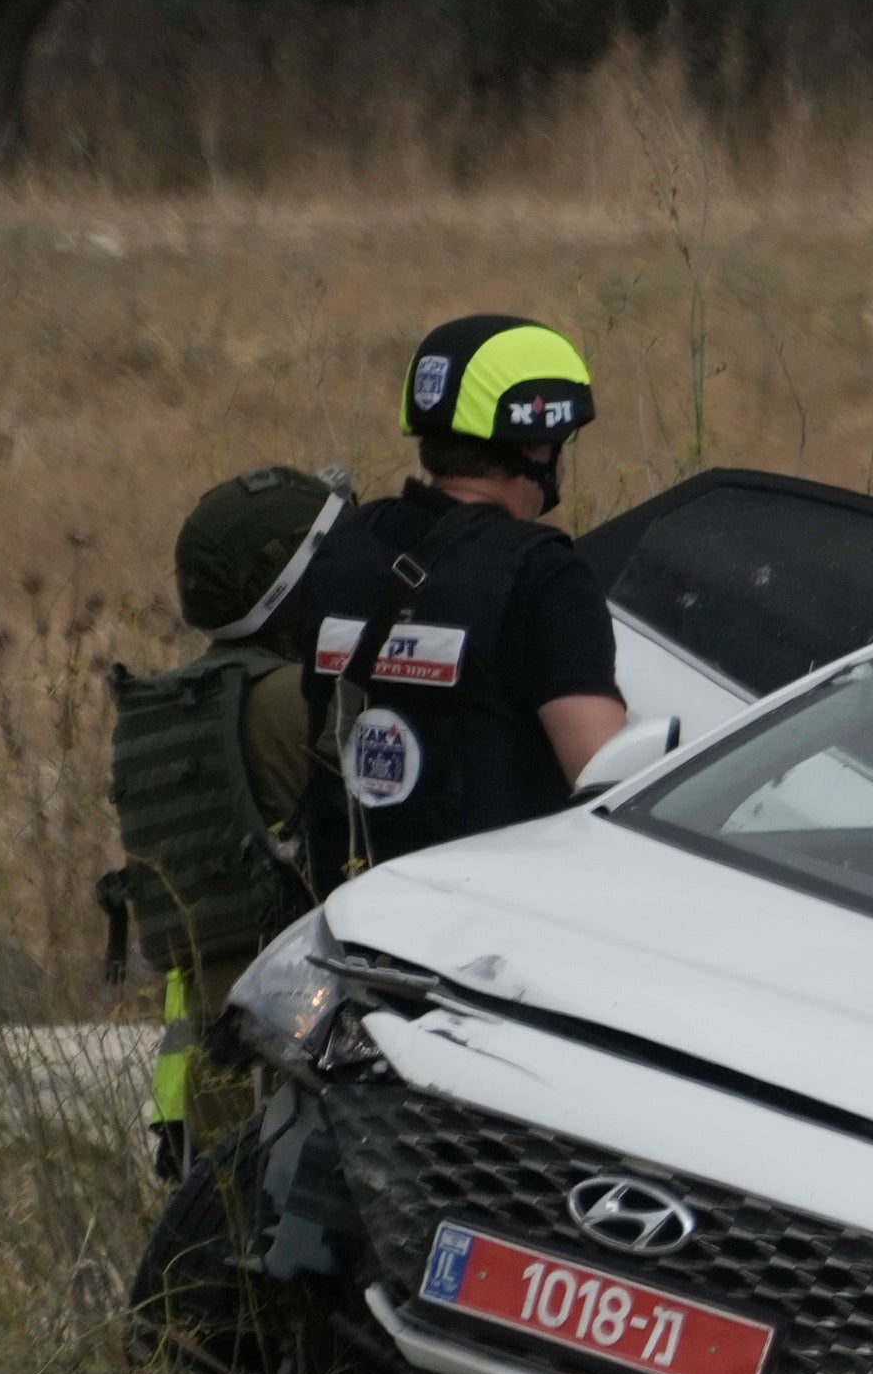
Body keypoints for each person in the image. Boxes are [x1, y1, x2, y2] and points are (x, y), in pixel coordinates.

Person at [290, 315, 628, 878]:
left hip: (344, 907)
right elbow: (609, 780)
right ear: (539, 446)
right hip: (484, 923)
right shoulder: (543, 576)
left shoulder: (341, 547)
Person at [103, 468, 351, 1174]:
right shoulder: (286, 702)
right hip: (290, 1047)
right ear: (290, 586)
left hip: (206, 1068)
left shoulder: (186, 704)